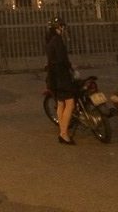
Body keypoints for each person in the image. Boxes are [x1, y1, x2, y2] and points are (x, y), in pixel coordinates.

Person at [45, 16, 77, 145]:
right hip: (62, 76)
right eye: (63, 27)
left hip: (54, 77)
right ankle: (63, 134)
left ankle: (62, 131)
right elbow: (62, 59)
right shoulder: (58, 41)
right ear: (59, 27)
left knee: (60, 104)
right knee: (70, 103)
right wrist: (71, 67)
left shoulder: (49, 40)